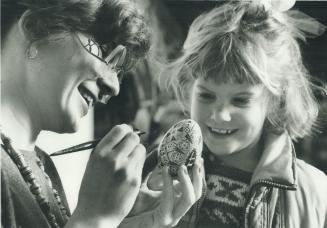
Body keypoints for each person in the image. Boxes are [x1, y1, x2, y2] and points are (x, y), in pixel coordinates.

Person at [1, 0, 203, 227]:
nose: (114, 86)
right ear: (35, 27)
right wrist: (94, 220)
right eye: (105, 50)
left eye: (118, 71)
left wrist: (122, 221)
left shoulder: (41, 166)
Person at [141, 1, 327, 228]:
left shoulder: (315, 192)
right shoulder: (150, 175)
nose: (220, 115)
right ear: (189, 88)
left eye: (240, 100)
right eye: (207, 96)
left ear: (275, 100)